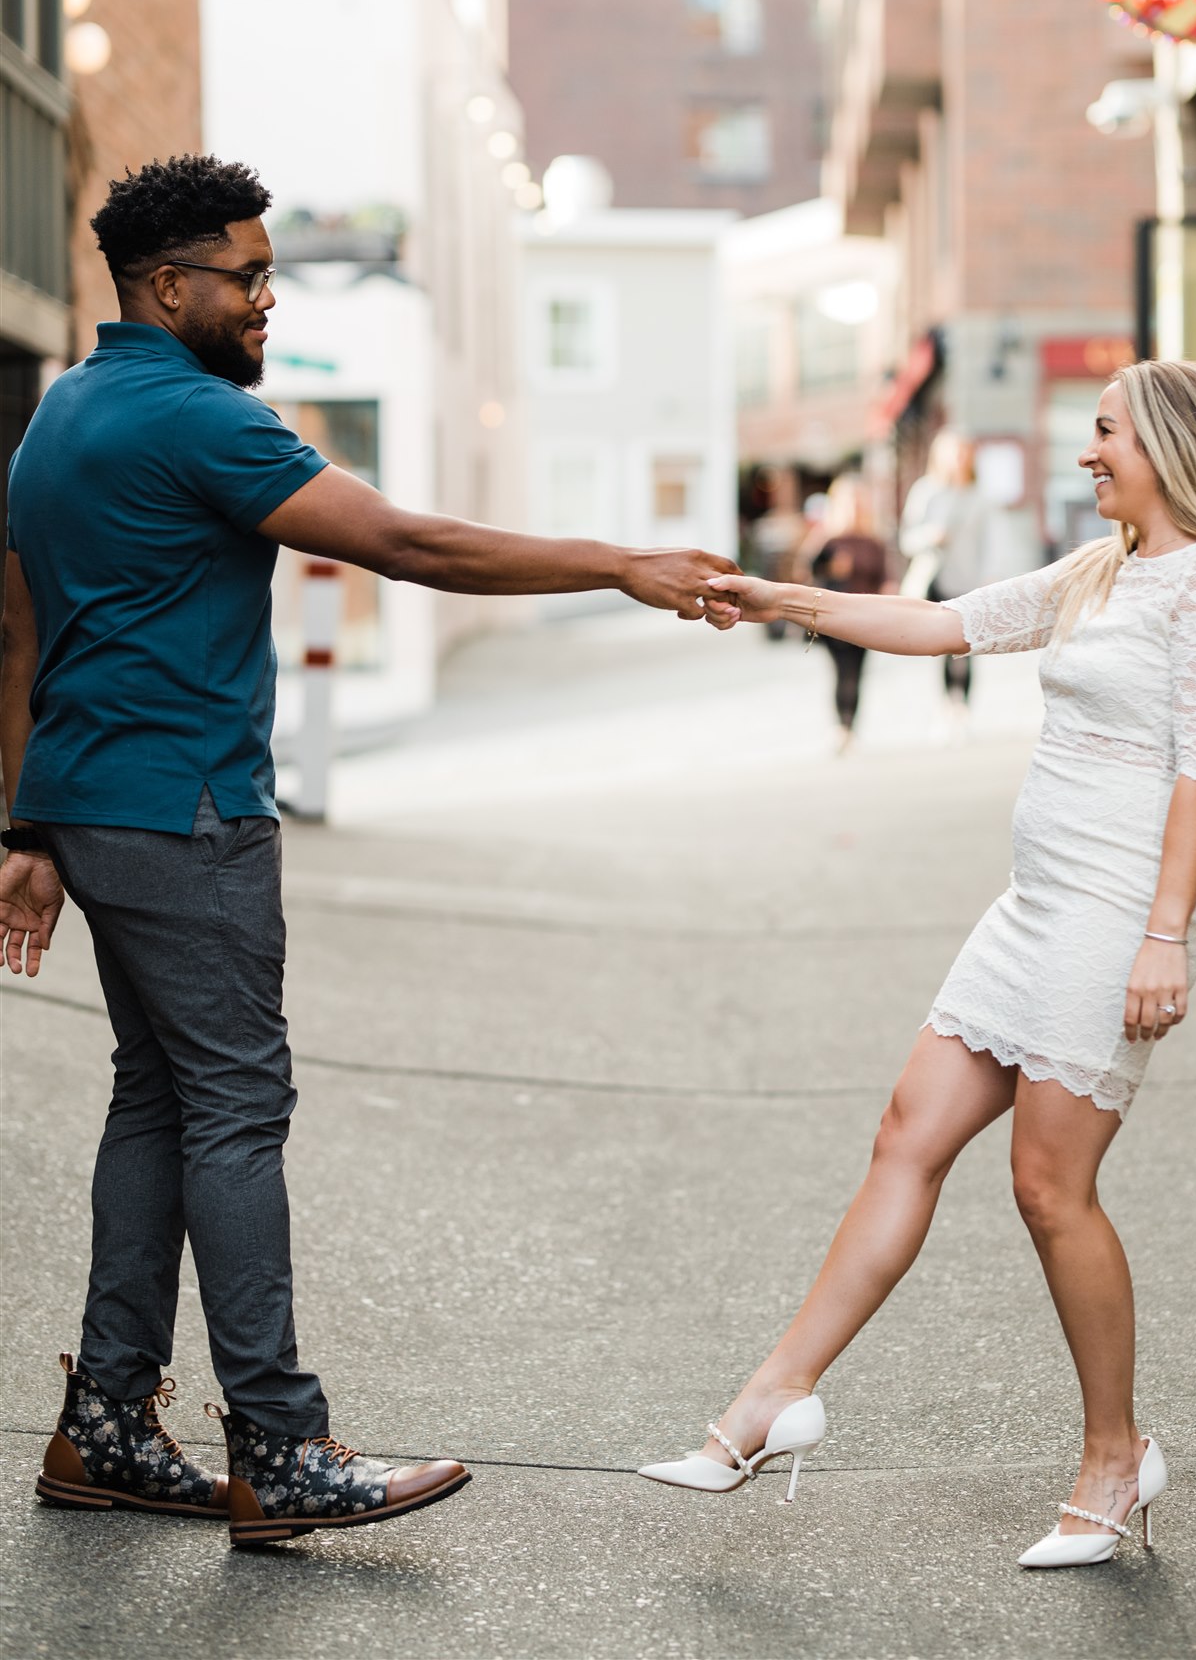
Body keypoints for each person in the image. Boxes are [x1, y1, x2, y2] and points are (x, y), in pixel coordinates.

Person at [0, 154, 737, 1549]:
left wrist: (30, 821)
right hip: (189, 809)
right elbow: (410, 541)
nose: (268, 298)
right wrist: (619, 563)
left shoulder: (63, 412)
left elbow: (32, 623)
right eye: (248, 275)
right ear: (170, 286)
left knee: (158, 1098)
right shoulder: (190, 418)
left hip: (97, 804)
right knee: (232, 1104)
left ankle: (105, 1425)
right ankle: (277, 1447)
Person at [640, 360, 1196, 1567]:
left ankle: (1112, 1459)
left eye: (1102, 433)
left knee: (1047, 1187)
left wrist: (1161, 936)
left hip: (1118, 910)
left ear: (1172, 447)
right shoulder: (1104, 567)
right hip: (1032, 904)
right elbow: (941, 623)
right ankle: (766, 1403)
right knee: (903, 1133)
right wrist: (784, 600)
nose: (1085, 453)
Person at [898, 431, 988, 722]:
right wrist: (930, 536)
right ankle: (947, 705)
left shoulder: (979, 496)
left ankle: (961, 704)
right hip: (933, 581)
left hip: (967, 581)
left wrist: (990, 576)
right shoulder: (927, 491)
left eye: (965, 453)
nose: (961, 459)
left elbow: (989, 543)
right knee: (942, 646)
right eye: (955, 453)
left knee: (965, 644)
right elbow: (907, 540)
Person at [807, 476, 888, 751]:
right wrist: (832, 568)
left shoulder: (873, 540)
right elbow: (809, 571)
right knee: (842, 670)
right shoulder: (828, 538)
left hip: (866, 616)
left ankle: (850, 725)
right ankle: (841, 726)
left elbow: (885, 575)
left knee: (857, 672)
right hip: (835, 616)